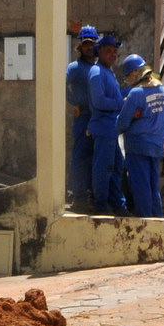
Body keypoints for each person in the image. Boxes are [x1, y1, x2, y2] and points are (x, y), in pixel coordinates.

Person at [118, 54, 164, 219]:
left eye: (128, 76)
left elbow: (122, 123)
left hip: (137, 147)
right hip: (155, 146)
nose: (128, 80)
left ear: (134, 72)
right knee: (153, 188)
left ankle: (146, 225)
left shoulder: (136, 93)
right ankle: (158, 223)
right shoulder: (161, 89)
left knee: (141, 188)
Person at [86, 34, 128, 215]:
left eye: (115, 52)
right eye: (109, 51)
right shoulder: (96, 72)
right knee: (104, 168)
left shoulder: (108, 72)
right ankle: (101, 205)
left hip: (112, 129)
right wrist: (121, 103)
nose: (113, 55)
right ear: (99, 52)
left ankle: (117, 205)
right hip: (103, 129)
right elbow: (98, 101)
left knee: (117, 167)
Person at [65, 26, 98, 210]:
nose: (88, 47)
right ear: (80, 46)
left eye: (91, 44)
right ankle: (78, 196)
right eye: (85, 44)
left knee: (95, 157)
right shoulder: (75, 68)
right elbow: (62, 85)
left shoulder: (97, 68)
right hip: (83, 117)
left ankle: (90, 194)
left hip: (97, 118)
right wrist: (73, 103)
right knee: (80, 157)